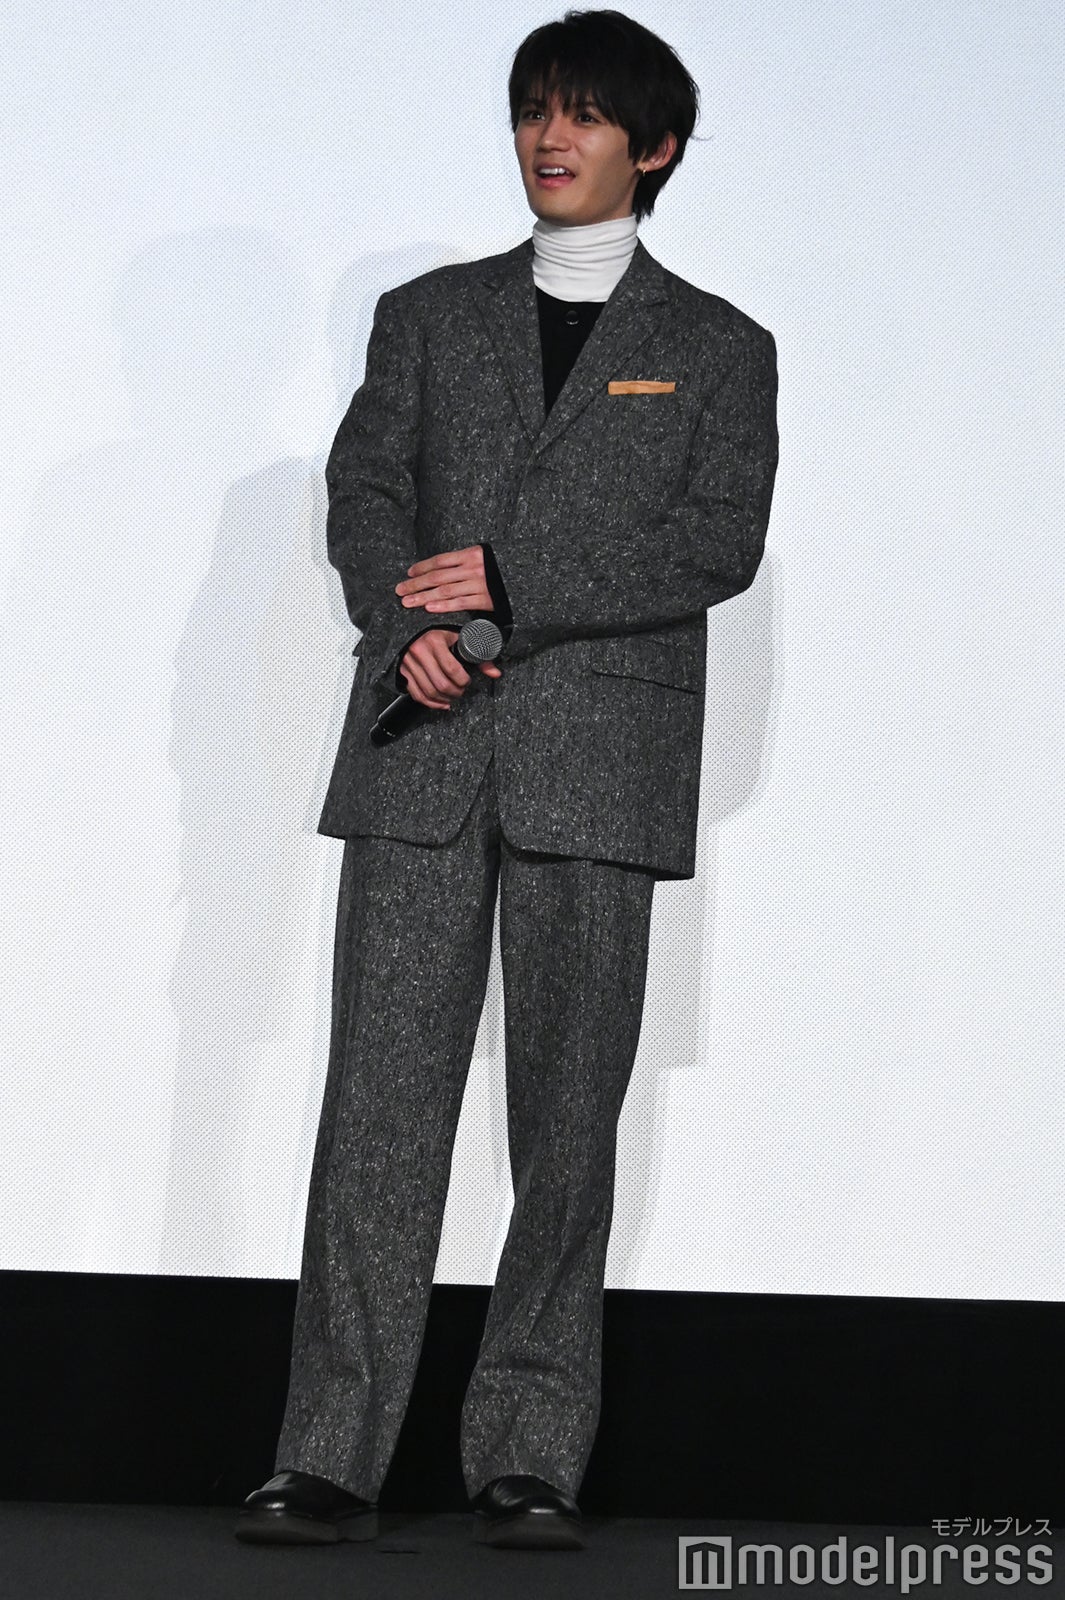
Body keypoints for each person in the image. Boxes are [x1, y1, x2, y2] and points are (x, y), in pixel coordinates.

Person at [235, 6, 778, 1553]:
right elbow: (365, 494)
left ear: (651, 147)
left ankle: (529, 1456)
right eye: (535, 109)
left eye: (584, 114)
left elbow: (713, 544)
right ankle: (327, 1454)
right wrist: (404, 620)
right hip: (421, 748)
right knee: (376, 1109)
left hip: (599, 765)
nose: (550, 137)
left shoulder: (717, 347)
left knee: (568, 1118)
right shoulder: (426, 317)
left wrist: (510, 591)